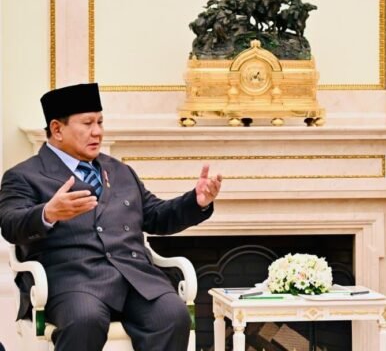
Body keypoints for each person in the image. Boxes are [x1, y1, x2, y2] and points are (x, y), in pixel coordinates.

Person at [0, 83, 223, 351]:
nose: (97, 132)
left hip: (135, 278)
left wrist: (196, 202)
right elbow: (10, 224)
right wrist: (48, 213)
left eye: (100, 122)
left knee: (172, 315)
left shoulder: (120, 171)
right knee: (84, 319)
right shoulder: (24, 176)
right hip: (73, 281)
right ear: (57, 129)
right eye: (87, 123)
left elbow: (156, 216)